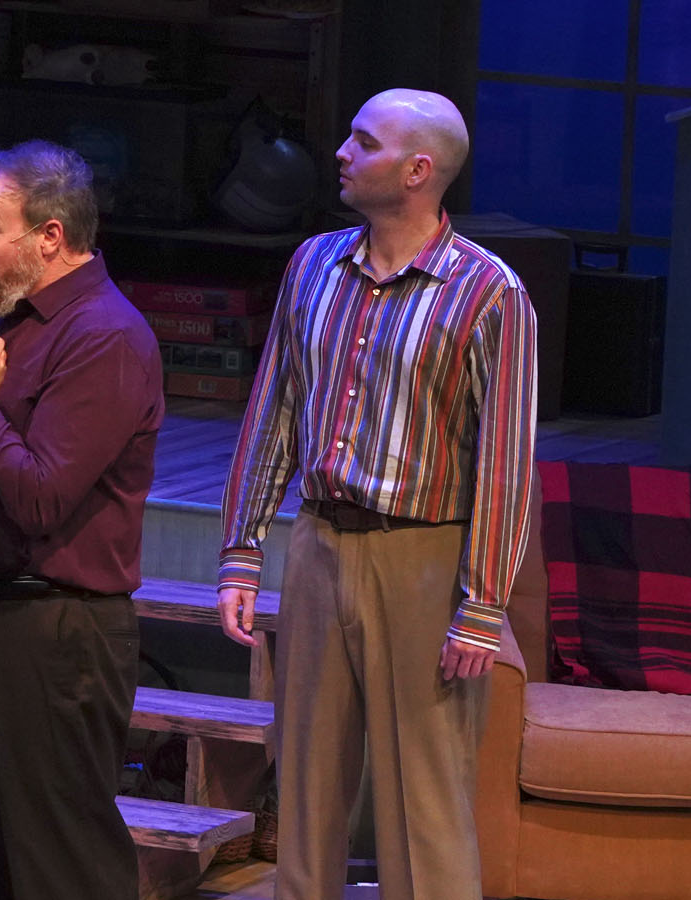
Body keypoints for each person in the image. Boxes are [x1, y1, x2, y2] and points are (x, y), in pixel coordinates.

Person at [214, 89, 535, 900]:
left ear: (417, 170)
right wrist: (242, 548)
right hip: (319, 543)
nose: (342, 153)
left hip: (424, 557)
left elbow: (506, 462)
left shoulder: (488, 294)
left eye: (364, 142)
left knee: (423, 802)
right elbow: (274, 408)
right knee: (307, 790)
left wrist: (482, 605)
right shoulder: (313, 264)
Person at [0, 139, 164, 900]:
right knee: (0, 866)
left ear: (50, 236)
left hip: (59, 630)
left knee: (61, 869)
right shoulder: (17, 326)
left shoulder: (105, 335)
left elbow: (38, 497)